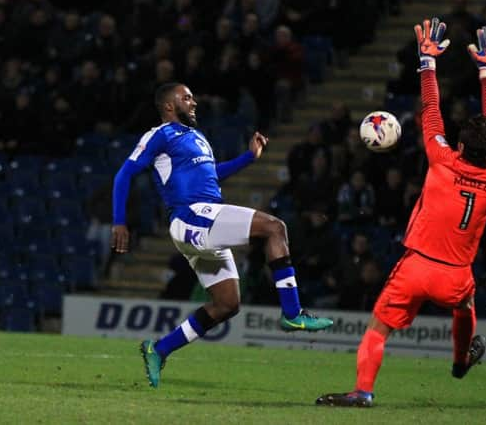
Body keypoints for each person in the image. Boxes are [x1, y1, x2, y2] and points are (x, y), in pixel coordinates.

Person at [316, 18, 486, 407]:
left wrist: (427, 60)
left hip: (417, 265)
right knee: (465, 306)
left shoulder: (442, 159)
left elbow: (432, 108)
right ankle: (459, 360)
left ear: (459, 144)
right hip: (456, 273)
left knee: (378, 328)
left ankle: (363, 391)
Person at [111, 82, 333, 388]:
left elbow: (213, 174)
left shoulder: (198, 137)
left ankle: (158, 348)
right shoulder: (160, 134)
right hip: (190, 216)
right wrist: (119, 222)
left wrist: (249, 158)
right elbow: (124, 173)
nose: (193, 102)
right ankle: (293, 312)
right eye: (186, 98)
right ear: (167, 106)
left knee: (227, 303)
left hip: (203, 219)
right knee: (275, 228)